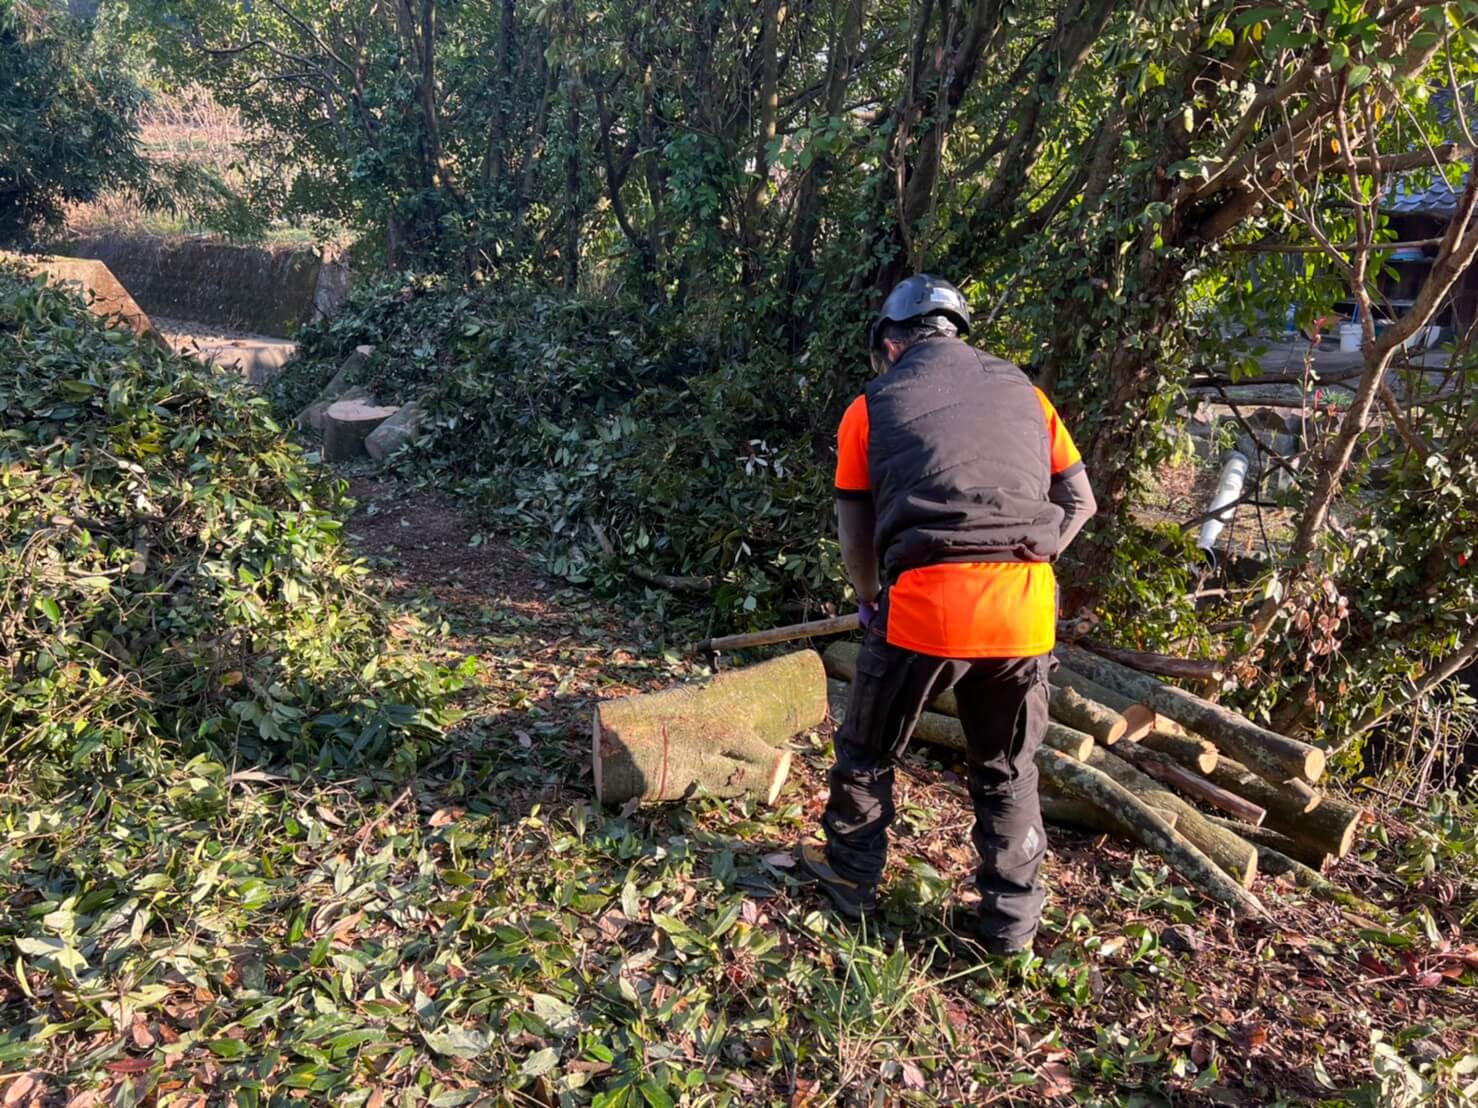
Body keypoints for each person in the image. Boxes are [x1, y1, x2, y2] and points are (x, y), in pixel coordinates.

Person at [792, 274, 1097, 955]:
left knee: (869, 753)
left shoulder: (871, 407)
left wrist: (870, 598)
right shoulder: (1028, 394)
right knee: (1009, 770)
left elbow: (855, 527)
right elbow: (1080, 502)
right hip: (1024, 611)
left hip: (927, 608)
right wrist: (1034, 556)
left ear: (891, 347)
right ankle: (1010, 931)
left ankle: (850, 885)